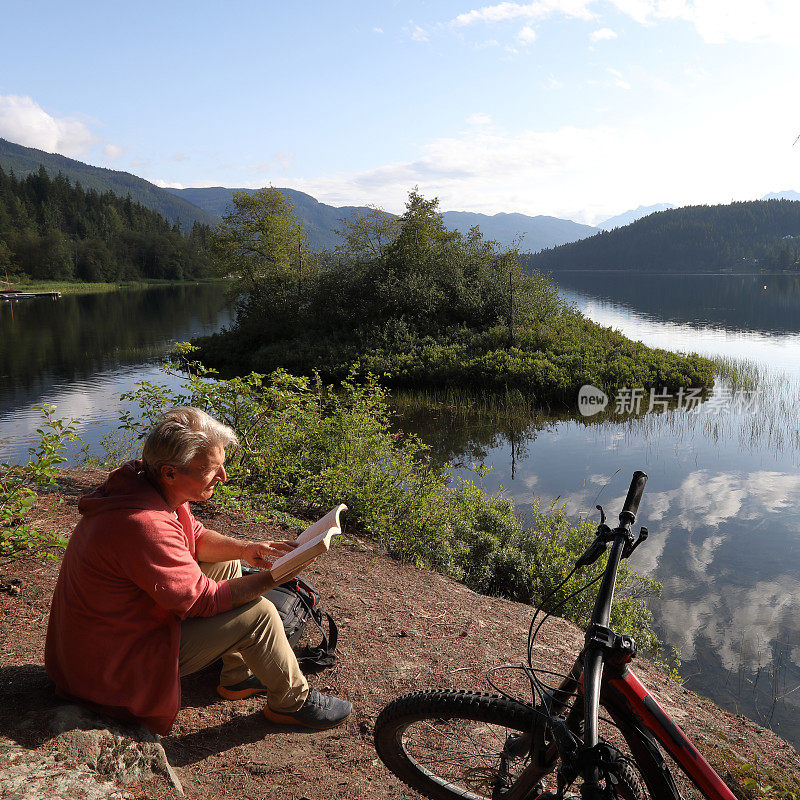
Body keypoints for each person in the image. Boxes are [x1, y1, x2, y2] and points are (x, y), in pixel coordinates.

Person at [45, 407, 351, 735]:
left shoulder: (146, 484)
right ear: (170, 472)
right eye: (211, 469)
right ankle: (291, 703)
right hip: (107, 670)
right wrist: (276, 576)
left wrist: (246, 549)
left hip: (104, 641)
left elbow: (196, 536)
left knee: (228, 562)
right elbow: (202, 600)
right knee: (259, 614)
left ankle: (235, 678)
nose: (222, 477)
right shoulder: (142, 524)